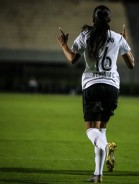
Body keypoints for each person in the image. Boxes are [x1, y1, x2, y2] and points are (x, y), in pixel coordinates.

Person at [57, 5, 134, 183]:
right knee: (101, 130)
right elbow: (131, 64)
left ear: (93, 20)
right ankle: (98, 175)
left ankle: (106, 147)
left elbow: (72, 59)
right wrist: (124, 42)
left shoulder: (85, 35)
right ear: (109, 21)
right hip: (112, 87)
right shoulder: (117, 37)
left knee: (92, 130)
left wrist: (63, 45)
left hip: (92, 85)